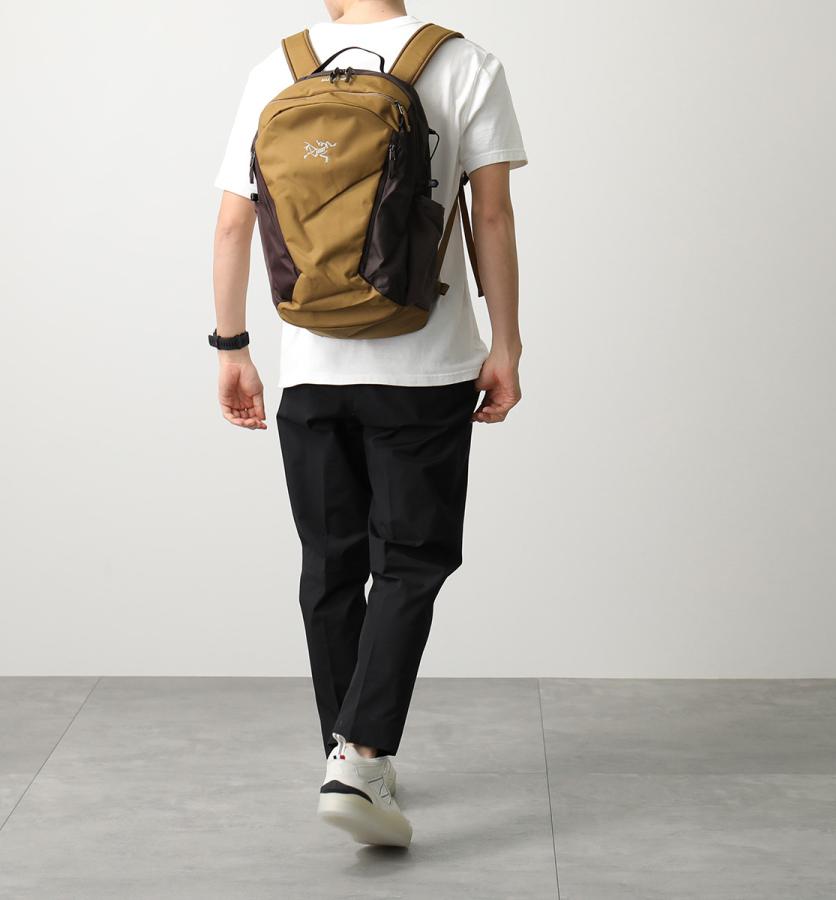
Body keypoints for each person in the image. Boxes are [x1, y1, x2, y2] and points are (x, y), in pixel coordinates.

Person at [210, 0, 526, 846]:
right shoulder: (465, 63)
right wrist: (506, 344)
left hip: (310, 370)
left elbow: (235, 219)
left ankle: (346, 755)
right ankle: (360, 757)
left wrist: (233, 346)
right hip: (425, 366)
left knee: (330, 565)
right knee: (412, 561)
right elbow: (492, 216)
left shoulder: (278, 68)